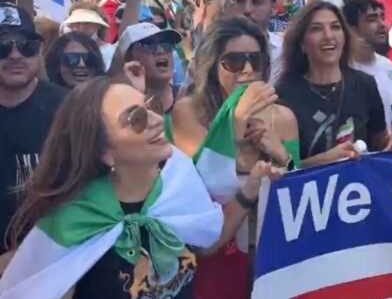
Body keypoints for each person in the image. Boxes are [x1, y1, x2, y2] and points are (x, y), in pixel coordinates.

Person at [0, 76, 281, 298]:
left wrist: (250, 190)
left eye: (152, 107)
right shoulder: (74, 220)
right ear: (104, 152)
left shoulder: (177, 180)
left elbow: (206, 242)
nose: (158, 120)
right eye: (136, 119)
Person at [171, 16, 299, 299]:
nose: (248, 70)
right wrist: (236, 121)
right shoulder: (189, 112)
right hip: (216, 255)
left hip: (270, 252)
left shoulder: (285, 118)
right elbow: (204, 183)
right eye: (235, 61)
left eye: (256, 60)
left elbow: (298, 194)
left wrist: (282, 155)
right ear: (213, 65)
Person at [277, 1, 392, 167]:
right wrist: (322, 161)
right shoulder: (284, 93)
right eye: (316, 29)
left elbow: (380, 145)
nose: (328, 35)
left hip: (358, 190)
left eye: (335, 27)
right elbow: (282, 169)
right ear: (301, 43)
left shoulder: (365, 84)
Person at [0, 3, 67, 270]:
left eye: (27, 45)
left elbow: (88, 193)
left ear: (39, 51)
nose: (16, 55)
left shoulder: (67, 111)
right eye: (3, 46)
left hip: (54, 266)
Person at [344, 0, 392, 131]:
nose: (382, 24)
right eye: (371, 19)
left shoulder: (388, 65)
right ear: (351, 28)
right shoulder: (342, 70)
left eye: (382, 17)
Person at [225, 0, 284, 81]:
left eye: (256, 1)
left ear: (274, 8)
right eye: (240, 0)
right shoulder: (212, 49)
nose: (247, 9)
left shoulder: (284, 52)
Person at [111, 22, 182, 113]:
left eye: (166, 43)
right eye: (147, 44)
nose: (160, 50)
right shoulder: (120, 113)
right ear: (128, 59)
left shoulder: (191, 100)